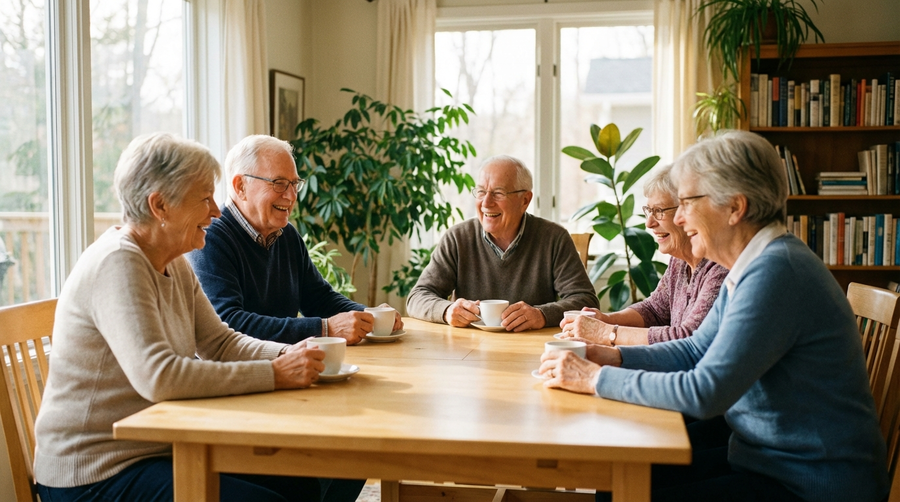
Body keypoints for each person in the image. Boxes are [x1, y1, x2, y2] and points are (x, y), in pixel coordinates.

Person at [539, 130, 888, 502]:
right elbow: (694, 350)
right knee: (616, 485)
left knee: (627, 491)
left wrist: (596, 378)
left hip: (810, 484)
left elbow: (704, 392)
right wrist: (611, 356)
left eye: (687, 201)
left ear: (735, 208)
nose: (681, 217)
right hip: (763, 458)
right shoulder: (753, 264)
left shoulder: (777, 272)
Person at [34, 133, 330, 502]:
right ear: (160, 206)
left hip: (154, 448)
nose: (217, 211)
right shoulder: (119, 262)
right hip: (94, 472)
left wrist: (286, 355)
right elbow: (159, 376)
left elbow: (220, 341)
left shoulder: (174, 260)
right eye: (204, 198)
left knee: (301, 484)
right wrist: (274, 374)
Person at [186, 134, 402, 348]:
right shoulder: (210, 237)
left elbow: (318, 298)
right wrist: (325, 329)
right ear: (241, 186)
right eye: (279, 183)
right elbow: (228, 324)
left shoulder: (286, 234)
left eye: (294, 183)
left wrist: (371, 317)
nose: (291, 196)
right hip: (236, 375)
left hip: (283, 366)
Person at [406, 155, 599, 331]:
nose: (486, 203)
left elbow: (585, 300)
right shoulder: (457, 238)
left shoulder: (554, 238)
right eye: (481, 192)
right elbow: (417, 297)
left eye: (498, 193)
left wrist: (542, 314)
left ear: (525, 200)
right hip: (467, 355)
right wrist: (447, 310)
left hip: (532, 352)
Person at [559, 165, 727, 346]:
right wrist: (605, 319)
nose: (649, 223)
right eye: (649, 211)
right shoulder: (679, 262)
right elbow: (654, 310)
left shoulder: (720, 266)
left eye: (659, 211)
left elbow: (688, 338)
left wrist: (606, 332)